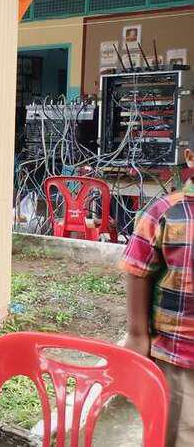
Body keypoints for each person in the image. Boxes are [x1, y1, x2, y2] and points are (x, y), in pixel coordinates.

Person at [122, 148, 193, 447]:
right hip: (178, 360)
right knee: (177, 435)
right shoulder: (166, 212)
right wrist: (138, 334)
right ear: (190, 157)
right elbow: (138, 269)